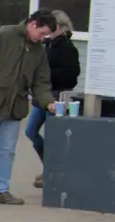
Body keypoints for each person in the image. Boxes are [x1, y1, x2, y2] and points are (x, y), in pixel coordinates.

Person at [0, 10, 57, 210]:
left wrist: (48, 102)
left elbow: (41, 82)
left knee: (7, 151)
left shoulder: (39, 51)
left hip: (16, 107)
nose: (43, 39)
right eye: (42, 33)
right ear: (33, 24)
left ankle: (1, 191)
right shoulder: (5, 34)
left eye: (46, 36)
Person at [28, 11, 80, 189]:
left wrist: (46, 75)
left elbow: (72, 77)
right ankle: (49, 166)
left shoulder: (68, 48)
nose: (48, 30)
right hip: (42, 96)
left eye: (52, 26)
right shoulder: (47, 45)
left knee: (53, 136)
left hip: (57, 97)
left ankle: (54, 172)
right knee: (31, 131)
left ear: (60, 26)